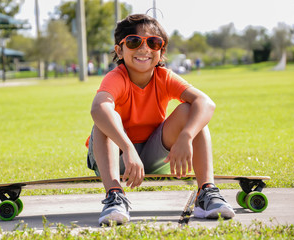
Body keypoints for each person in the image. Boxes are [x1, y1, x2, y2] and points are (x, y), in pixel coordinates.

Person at [86, 14, 235, 226]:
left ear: (161, 51)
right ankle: (115, 197)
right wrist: (128, 148)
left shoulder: (164, 77)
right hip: (115, 157)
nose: (144, 49)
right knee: (105, 118)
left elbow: (206, 103)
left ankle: (206, 193)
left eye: (153, 43)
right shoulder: (116, 77)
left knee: (191, 112)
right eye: (134, 41)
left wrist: (186, 136)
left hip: (153, 154)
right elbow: (98, 108)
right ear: (119, 50)